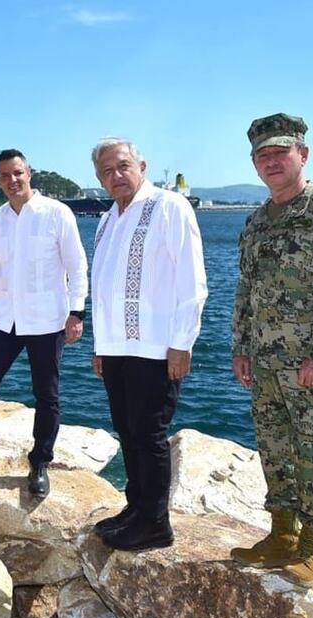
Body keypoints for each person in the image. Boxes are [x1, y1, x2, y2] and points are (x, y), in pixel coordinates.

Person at [230, 113, 313, 587]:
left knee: (312, 453)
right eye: (262, 156)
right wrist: (241, 348)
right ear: (254, 164)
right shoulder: (257, 222)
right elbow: (245, 288)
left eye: (279, 153)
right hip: (264, 361)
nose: (271, 162)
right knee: (273, 447)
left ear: (302, 155)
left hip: (309, 363)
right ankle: (282, 534)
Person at [88, 138, 208, 551]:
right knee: (126, 430)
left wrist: (182, 343)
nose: (116, 176)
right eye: (106, 171)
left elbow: (192, 281)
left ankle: (156, 523)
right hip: (117, 348)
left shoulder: (170, 207)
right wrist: (101, 346)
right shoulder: (107, 220)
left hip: (156, 346)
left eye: (122, 166)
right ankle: (136, 508)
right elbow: (102, 287)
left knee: (149, 433)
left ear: (141, 165)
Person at [0, 148, 88, 498]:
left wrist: (77, 313)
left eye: (17, 173)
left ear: (29, 174)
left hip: (47, 319)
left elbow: (77, 266)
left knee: (47, 393)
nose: (12, 181)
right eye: (5, 176)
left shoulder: (56, 213)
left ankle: (40, 462)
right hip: (3, 319)